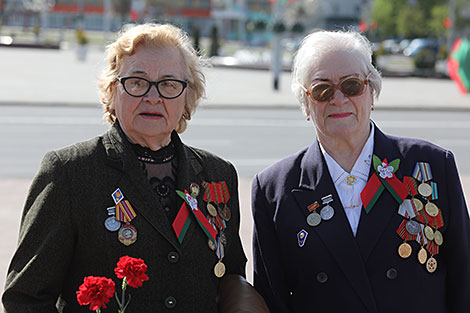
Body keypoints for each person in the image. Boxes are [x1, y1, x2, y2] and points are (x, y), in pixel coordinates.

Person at [3, 23, 268, 313]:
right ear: (112, 90)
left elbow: (230, 277)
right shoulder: (69, 172)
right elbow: (26, 298)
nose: (152, 97)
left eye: (168, 84)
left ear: (187, 97)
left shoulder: (219, 175)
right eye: (137, 81)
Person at [252, 29, 470, 313]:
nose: (338, 99)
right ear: (306, 105)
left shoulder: (431, 166)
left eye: (352, 85)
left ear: (371, 93)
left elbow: (464, 280)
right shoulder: (274, 189)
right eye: (322, 90)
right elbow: (273, 299)